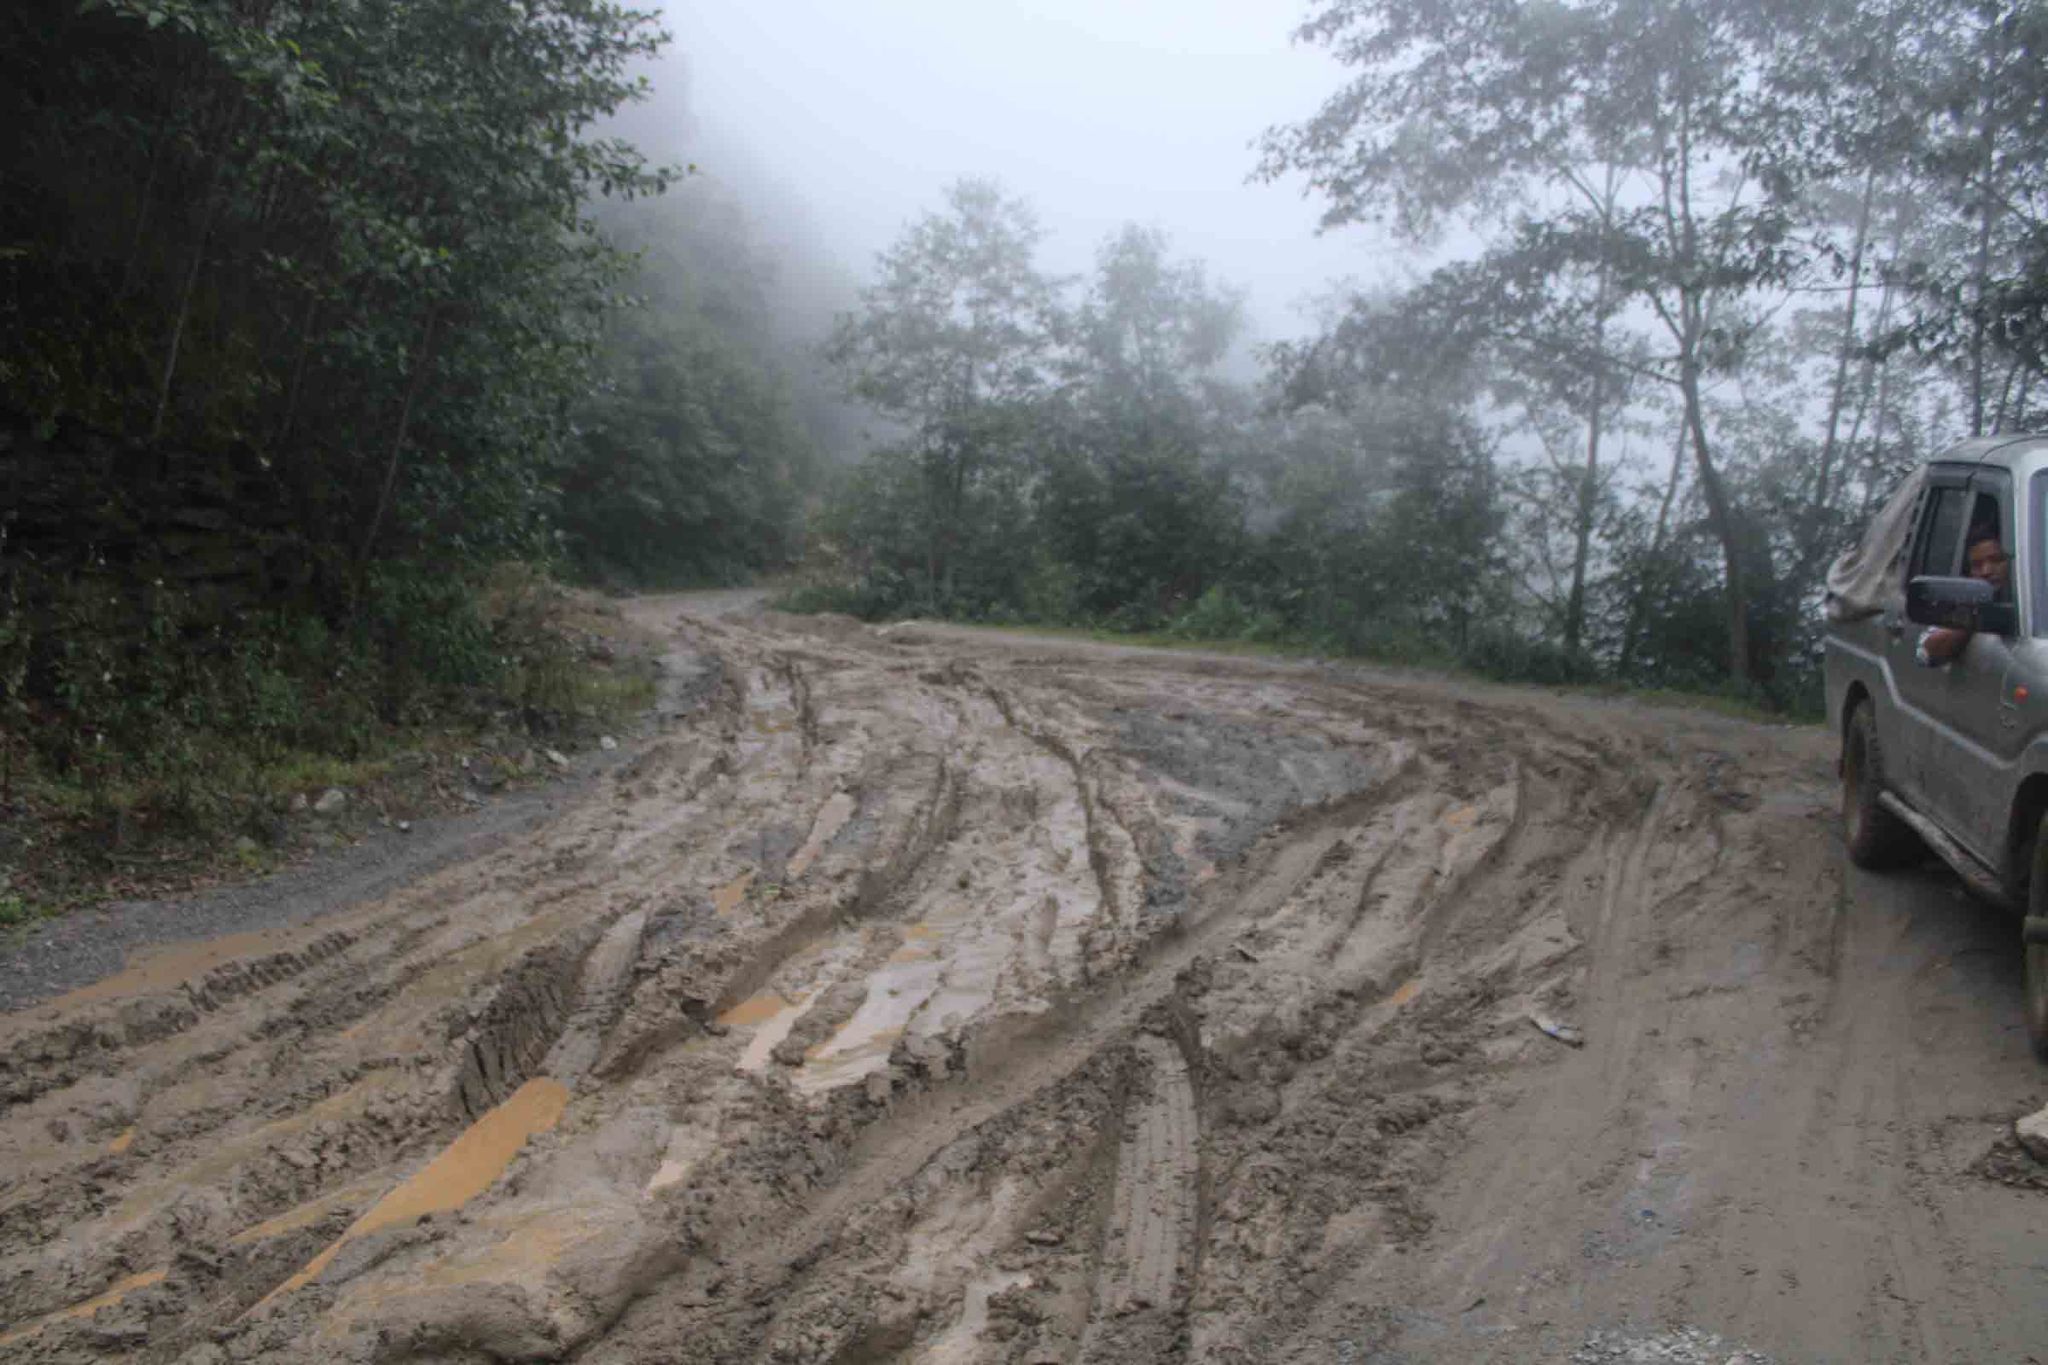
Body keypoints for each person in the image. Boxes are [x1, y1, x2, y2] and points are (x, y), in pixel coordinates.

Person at [1917, 525, 2011, 665]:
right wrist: (1973, 617)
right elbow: (1925, 654)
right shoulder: (1963, 605)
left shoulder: (2036, 599)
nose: (1986, 571)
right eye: (1977, 565)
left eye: (1996, 560)